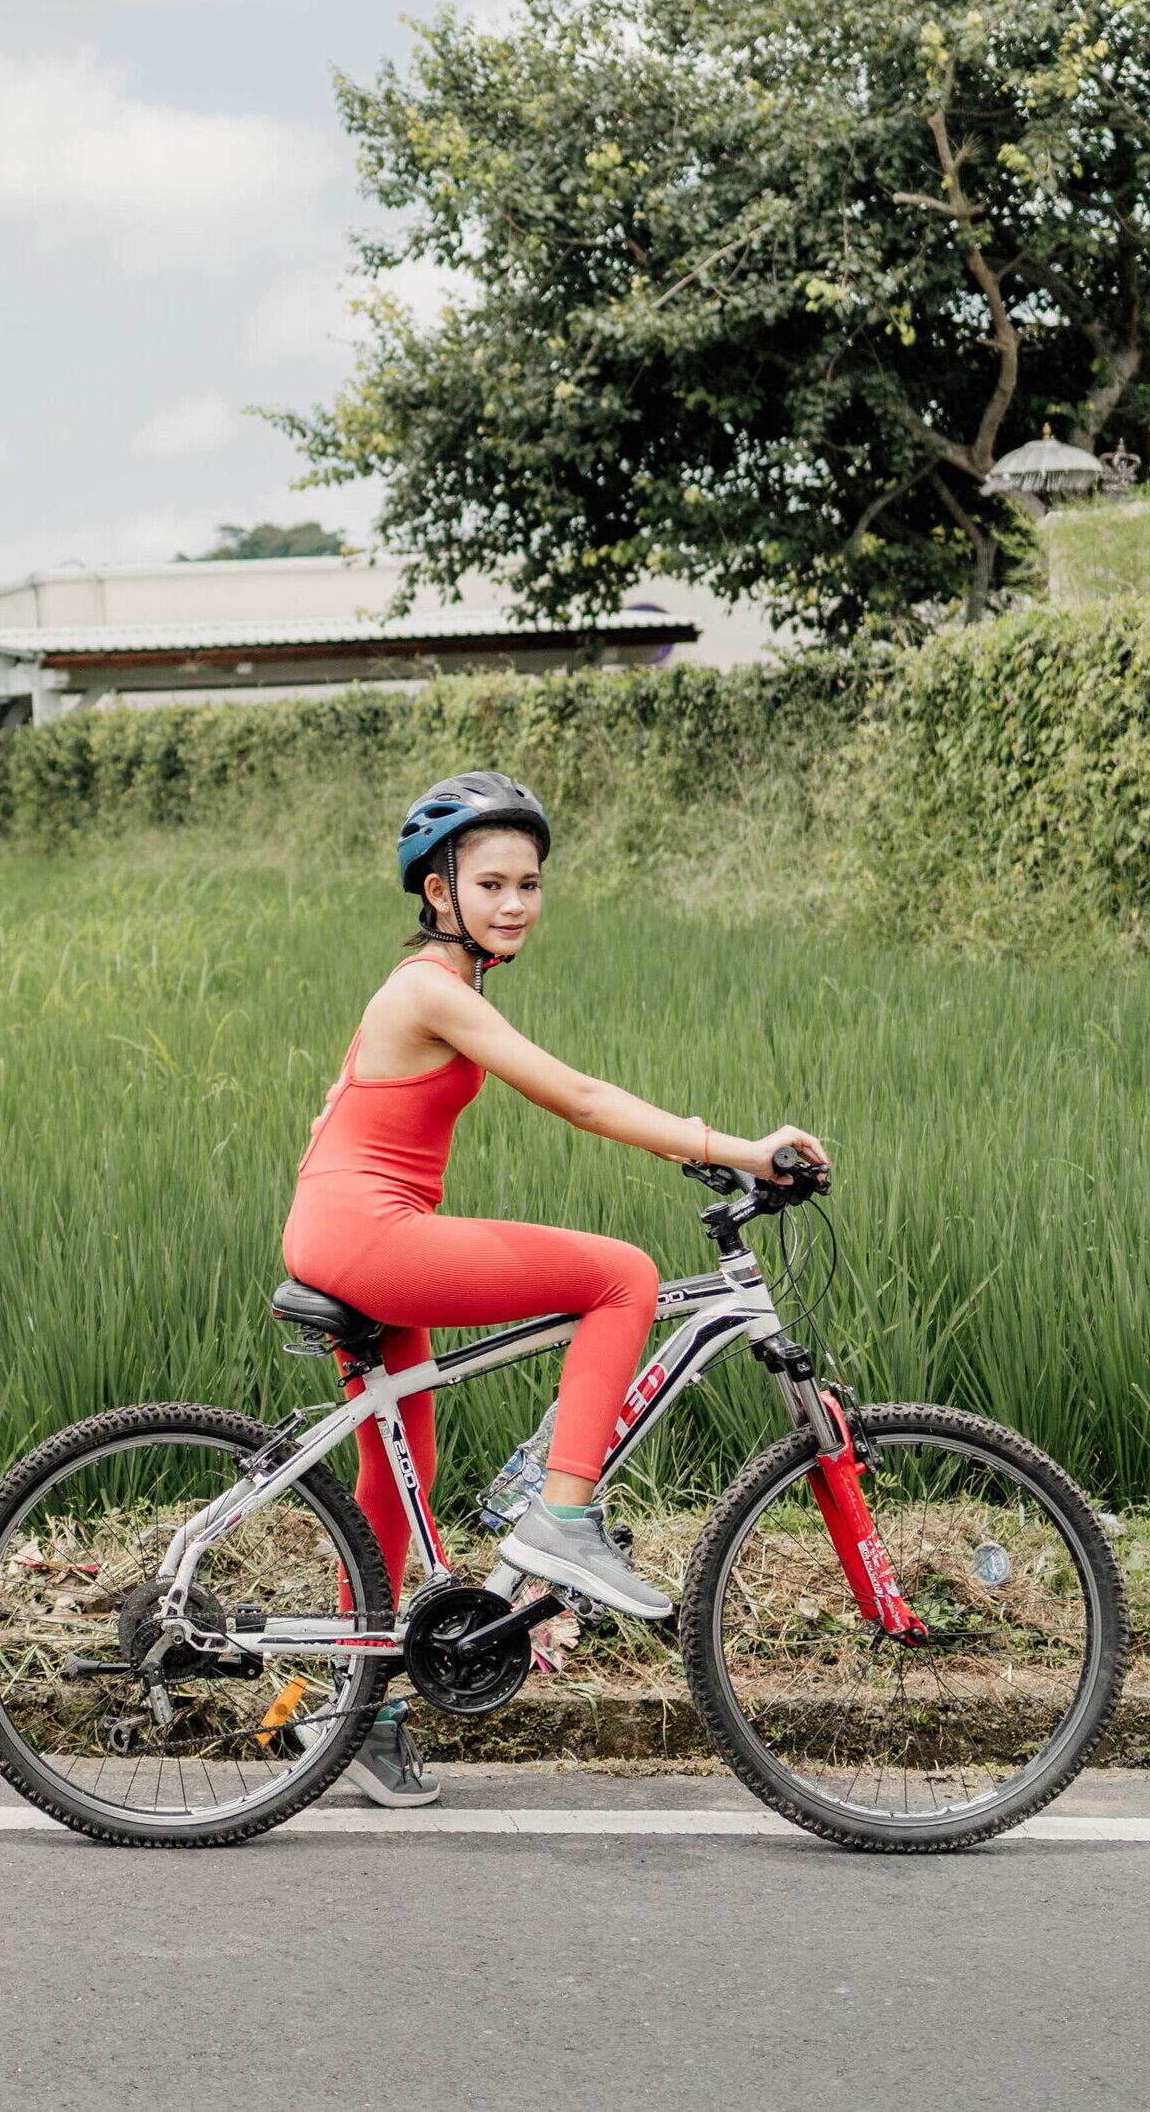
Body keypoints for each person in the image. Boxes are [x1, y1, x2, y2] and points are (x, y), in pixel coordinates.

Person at [281, 771, 826, 1806]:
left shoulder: (445, 985)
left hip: (349, 1227)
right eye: (490, 883)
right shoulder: (430, 986)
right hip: (368, 1233)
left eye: (529, 883)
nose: (516, 902)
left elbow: (352, 1103)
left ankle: (355, 1704)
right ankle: (560, 1522)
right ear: (438, 893)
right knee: (621, 1275)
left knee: (401, 1471)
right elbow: (576, 1097)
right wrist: (735, 1147)